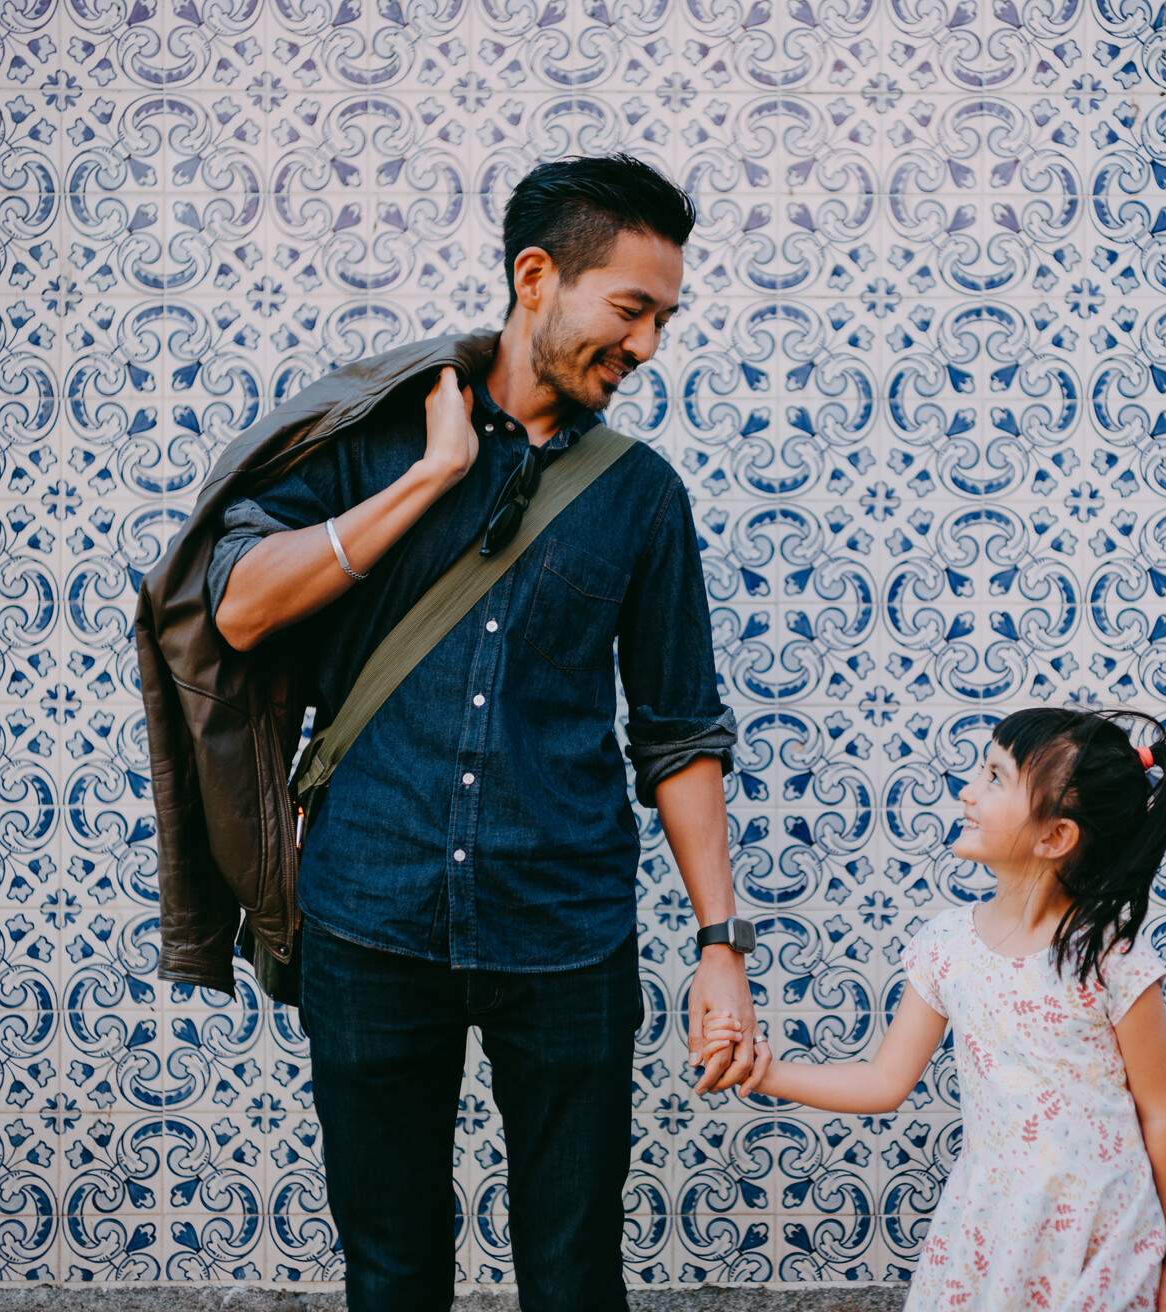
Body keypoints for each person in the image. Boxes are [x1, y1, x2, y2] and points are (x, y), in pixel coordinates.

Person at [205, 154, 763, 1311]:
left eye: (665, 317)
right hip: (370, 916)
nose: (649, 345)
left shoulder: (642, 495)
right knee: (392, 1269)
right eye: (630, 309)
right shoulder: (371, 433)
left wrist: (722, 944)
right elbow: (240, 603)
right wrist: (434, 475)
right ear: (534, 276)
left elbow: (678, 730)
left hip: (566, 933)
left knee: (571, 1274)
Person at [701, 707, 1166, 1311]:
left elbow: (1161, 1115)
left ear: (1055, 836)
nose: (967, 792)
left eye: (994, 777)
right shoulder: (947, 946)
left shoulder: (1110, 956)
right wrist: (764, 1071)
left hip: (1102, 1231)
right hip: (990, 1226)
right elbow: (882, 1081)